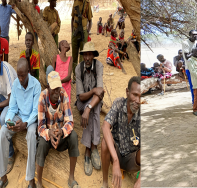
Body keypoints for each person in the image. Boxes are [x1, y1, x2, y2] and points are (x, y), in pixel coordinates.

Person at [0, 58, 41, 188]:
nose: (20, 79)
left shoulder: (36, 85)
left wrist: (25, 124)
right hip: (19, 116)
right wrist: (9, 121)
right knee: (3, 131)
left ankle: (31, 179)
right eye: (18, 75)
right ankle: (3, 176)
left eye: (22, 75)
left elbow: (36, 111)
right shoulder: (16, 84)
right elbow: (12, 108)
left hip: (31, 120)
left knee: (32, 134)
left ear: (28, 71)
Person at [35, 71, 80, 188]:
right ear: (48, 87)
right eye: (53, 89)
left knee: (74, 136)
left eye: (58, 88)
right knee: (41, 144)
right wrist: (49, 133)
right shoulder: (42, 97)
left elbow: (69, 121)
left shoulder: (63, 94)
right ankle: (39, 182)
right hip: (48, 135)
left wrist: (62, 132)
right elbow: (40, 127)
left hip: (60, 134)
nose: (56, 92)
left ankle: (71, 178)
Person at [101, 76, 141, 188]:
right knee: (105, 142)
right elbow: (105, 125)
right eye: (135, 95)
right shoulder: (119, 103)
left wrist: (140, 179)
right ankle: (105, 183)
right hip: (116, 153)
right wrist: (115, 161)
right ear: (127, 92)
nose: (138, 101)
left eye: (140, 96)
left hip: (132, 159)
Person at [74, 41, 104, 176]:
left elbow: (101, 92)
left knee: (94, 109)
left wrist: (89, 108)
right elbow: (80, 97)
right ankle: (92, 147)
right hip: (82, 101)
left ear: (93, 56)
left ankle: (89, 148)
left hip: (93, 103)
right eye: (85, 55)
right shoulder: (78, 68)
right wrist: (92, 92)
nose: (86, 58)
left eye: (89, 55)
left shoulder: (99, 66)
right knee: (91, 106)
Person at [71, 0, 93, 72]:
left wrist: (87, 31)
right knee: (74, 55)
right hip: (75, 31)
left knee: (82, 54)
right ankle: (75, 77)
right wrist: (72, 31)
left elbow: (90, 20)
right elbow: (72, 18)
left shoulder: (87, 4)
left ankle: (80, 75)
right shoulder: (75, 2)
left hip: (83, 32)